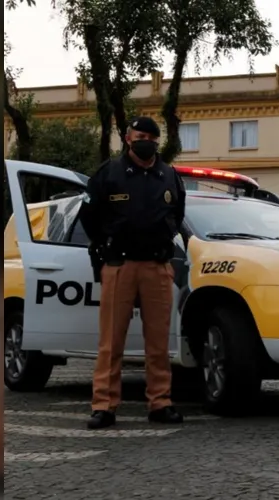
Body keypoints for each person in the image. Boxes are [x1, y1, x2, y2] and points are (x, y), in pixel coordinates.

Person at [78, 117, 187, 429]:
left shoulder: (168, 175)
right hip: (119, 265)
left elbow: (177, 214)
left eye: (152, 137)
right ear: (128, 139)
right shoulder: (108, 173)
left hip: (156, 266)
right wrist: (105, 244)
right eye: (140, 136)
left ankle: (160, 403)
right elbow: (89, 216)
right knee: (111, 341)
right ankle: (104, 405)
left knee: (158, 342)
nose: (147, 141)